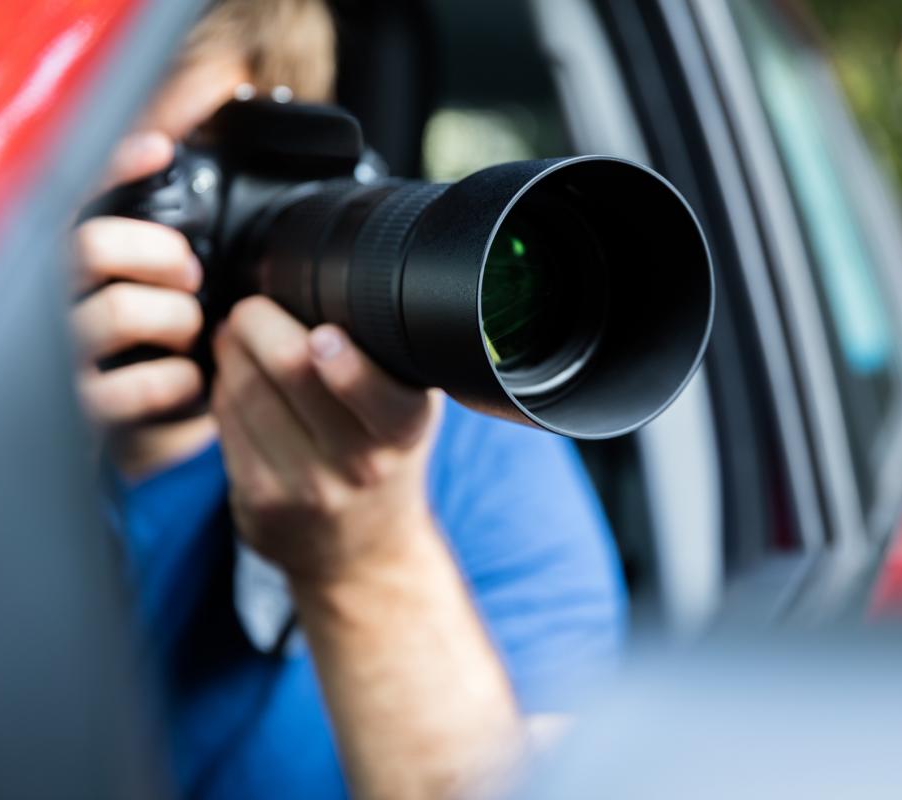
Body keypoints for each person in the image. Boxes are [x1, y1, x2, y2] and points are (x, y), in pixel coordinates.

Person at [74, 1, 626, 797]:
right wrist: (18, 438)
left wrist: (367, 560)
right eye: (147, 185)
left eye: (218, 174)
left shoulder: (470, 444)